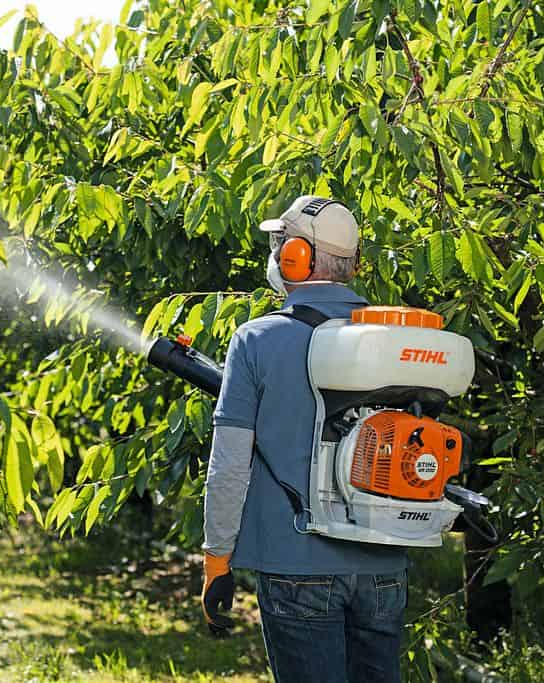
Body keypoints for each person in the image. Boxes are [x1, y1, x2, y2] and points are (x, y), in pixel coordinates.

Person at [200, 196, 409, 683]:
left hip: (295, 566)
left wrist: (217, 559)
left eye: (280, 245)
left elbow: (230, 464)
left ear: (296, 256)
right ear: (353, 263)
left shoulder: (257, 339)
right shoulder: (394, 338)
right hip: (383, 564)